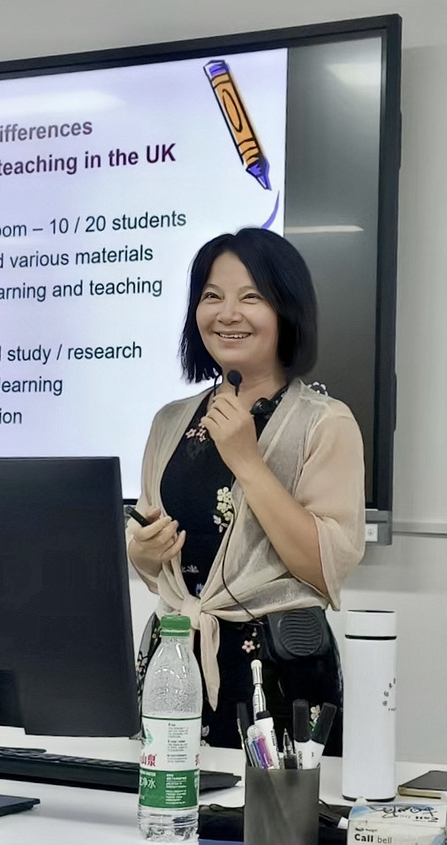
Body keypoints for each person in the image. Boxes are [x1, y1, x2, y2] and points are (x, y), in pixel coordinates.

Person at [126, 227, 365, 754]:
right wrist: (143, 550)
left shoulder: (325, 423)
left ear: (287, 310)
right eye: (212, 296)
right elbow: (153, 559)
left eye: (250, 297)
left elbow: (323, 566)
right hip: (178, 661)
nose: (227, 314)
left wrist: (247, 461)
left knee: (275, 808)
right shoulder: (170, 422)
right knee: (169, 798)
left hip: (278, 673)